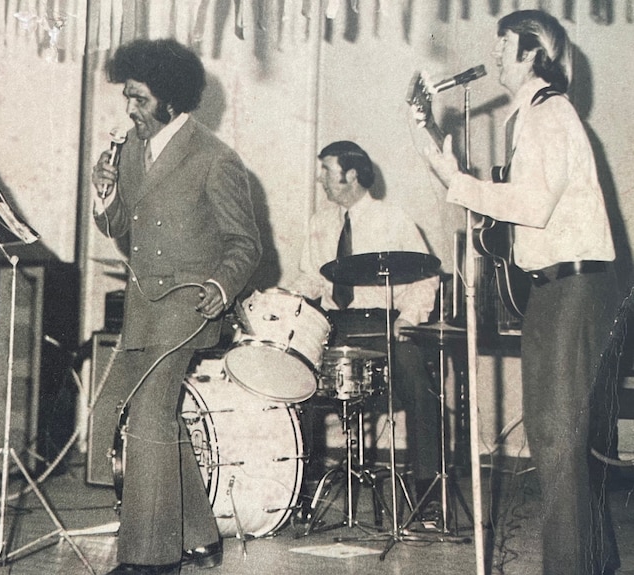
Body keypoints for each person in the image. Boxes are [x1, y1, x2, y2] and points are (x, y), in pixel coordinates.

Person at [419, 10, 620, 575]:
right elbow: (519, 219)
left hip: (573, 289)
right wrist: (454, 172)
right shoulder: (530, 117)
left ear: (532, 54)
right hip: (553, 291)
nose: (497, 54)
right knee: (557, 443)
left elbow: (532, 206)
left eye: (504, 45)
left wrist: (456, 181)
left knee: (555, 446)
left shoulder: (549, 113)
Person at [90, 39, 261, 575]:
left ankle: (150, 558)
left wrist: (222, 284)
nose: (129, 109)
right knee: (116, 410)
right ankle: (199, 534)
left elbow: (246, 244)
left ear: (169, 100)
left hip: (190, 303)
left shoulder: (215, 158)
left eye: (137, 98)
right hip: (145, 305)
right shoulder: (135, 152)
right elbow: (125, 235)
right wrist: (107, 197)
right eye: (127, 97)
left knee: (147, 412)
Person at [289, 140, 443, 525]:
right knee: (296, 381)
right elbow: (311, 278)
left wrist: (409, 318)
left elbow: (427, 276)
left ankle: (428, 495)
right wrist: (288, 298)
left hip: (385, 325)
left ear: (351, 175)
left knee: (419, 383)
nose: (320, 178)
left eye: (326, 169)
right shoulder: (319, 223)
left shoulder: (394, 218)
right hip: (335, 326)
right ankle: (302, 491)